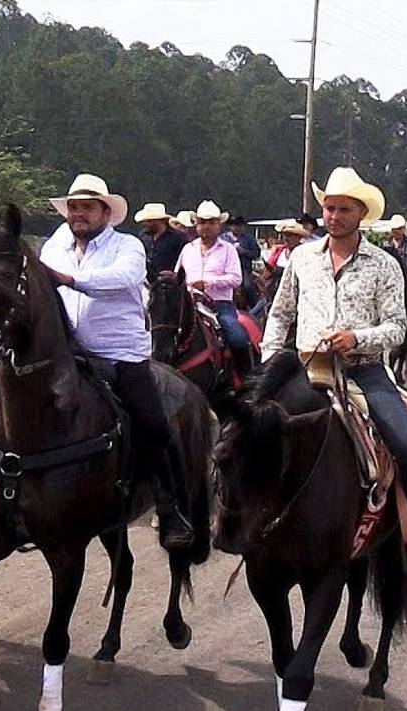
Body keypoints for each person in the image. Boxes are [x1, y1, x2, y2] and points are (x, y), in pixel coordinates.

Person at [262, 166, 407, 572]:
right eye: (329, 208)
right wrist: (270, 358)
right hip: (303, 365)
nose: (334, 216)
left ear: (361, 214)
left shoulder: (383, 264)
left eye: (343, 209)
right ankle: (234, 517)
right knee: (244, 429)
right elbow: (281, 312)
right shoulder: (302, 258)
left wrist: (357, 338)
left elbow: (396, 327)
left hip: (362, 371)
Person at [39, 174, 194, 552]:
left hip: (118, 353)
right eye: (73, 207)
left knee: (154, 425)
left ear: (105, 213)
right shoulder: (53, 246)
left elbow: (123, 277)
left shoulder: (129, 246)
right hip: (67, 351)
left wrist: (68, 278)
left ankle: (171, 506)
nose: (78, 214)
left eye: (87, 207)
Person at [175, 200, 253, 375]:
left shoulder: (228, 250)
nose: (206, 227)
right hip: (190, 305)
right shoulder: (187, 249)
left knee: (236, 337)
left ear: (219, 225)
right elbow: (177, 277)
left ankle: (248, 378)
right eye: (202, 222)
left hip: (220, 305)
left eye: (211, 222)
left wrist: (207, 282)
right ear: (196, 225)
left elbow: (236, 279)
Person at [134, 202, 185, 283]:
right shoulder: (143, 236)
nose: (145, 224)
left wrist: (175, 275)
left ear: (161, 221)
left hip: (171, 287)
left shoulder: (178, 238)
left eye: (149, 221)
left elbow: (185, 262)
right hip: (147, 284)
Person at [221, 214, 260, 308]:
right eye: (235, 225)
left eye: (239, 225)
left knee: (248, 286)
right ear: (230, 226)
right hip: (225, 268)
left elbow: (256, 254)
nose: (237, 227)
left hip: (243, 268)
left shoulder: (249, 239)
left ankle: (254, 307)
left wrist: (244, 252)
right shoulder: (223, 238)